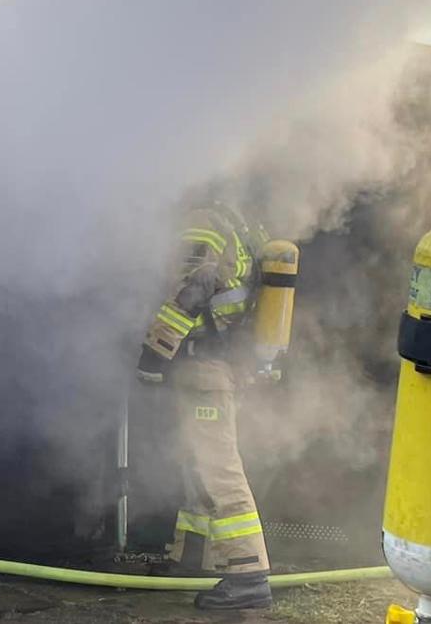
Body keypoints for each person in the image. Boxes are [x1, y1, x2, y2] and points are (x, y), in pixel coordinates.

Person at [135, 195, 275, 610]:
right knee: (196, 465)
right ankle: (193, 558)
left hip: (203, 368)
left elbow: (191, 292)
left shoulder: (203, 222)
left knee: (219, 471)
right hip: (223, 367)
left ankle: (248, 575)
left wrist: (155, 351)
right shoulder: (247, 227)